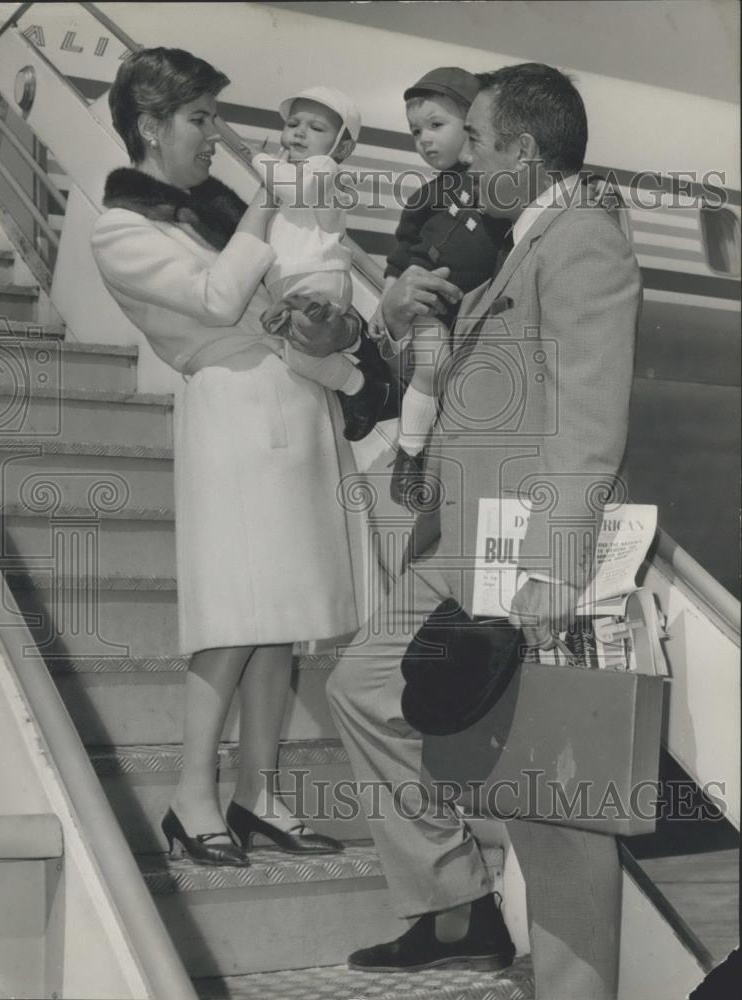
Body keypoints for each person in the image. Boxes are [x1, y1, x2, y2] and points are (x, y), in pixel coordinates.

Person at [327, 63, 641, 1000]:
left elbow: (588, 410)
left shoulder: (582, 239)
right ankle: (455, 900)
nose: (463, 160)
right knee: (359, 688)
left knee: (557, 799)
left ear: (523, 150)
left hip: (525, 548)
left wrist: (557, 561)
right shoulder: (522, 241)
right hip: (461, 545)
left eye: (478, 142)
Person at [91, 47, 370, 864]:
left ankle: (259, 795)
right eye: (200, 118)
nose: (217, 135)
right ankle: (190, 796)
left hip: (292, 405)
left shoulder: (211, 213)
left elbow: (291, 293)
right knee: (233, 615)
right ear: (150, 126)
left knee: (279, 621)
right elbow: (218, 298)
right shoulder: (121, 228)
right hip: (233, 416)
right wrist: (260, 207)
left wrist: (327, 318)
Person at [369, 67, 506, 506]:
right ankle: (410, 455)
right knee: (433, 367)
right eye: (416, 132)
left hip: (473, 307)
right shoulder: (424, 195)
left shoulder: (497, 186)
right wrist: (388, 297)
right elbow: (401, 251)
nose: (424, 139)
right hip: (431, 306)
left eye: (436, 126)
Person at [229, 86, 389, 442]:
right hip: (293, 281)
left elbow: (295, 190)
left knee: (304, 346)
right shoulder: (292, 174)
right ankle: (359, 383)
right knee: (297, 355)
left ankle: (361, 381)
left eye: (316, 128)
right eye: (293, 123)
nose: (299, 132)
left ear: (342, 148)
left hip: (317, 273)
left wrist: (260, 159)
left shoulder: (322, 168)